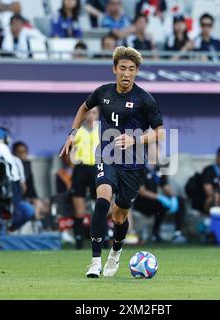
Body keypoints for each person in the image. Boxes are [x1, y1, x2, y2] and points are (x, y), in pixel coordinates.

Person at [60, 46, 165, 278]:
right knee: (101, 201)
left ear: (136, 72)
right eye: (122, 68)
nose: (126, 73)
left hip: (133, 164)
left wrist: (135, 138)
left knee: (120, 216)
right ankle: (95, 261)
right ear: (114, 69)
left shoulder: (144, 99)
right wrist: (72, 133)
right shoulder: (103, 92)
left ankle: (115, 253)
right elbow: (83, 108)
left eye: (131, 69)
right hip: (106, 156)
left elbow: (161, 132)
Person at [132, 155, 187, 244]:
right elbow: (142, 191)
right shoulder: (140, 168)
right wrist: (160, 197)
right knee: (160, 204)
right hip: (141, 201)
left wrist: (172, 197)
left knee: (180, 201)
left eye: (158, 149)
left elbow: (165, 186)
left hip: (155, 199)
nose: (156, 152)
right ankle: (155, 233)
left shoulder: (160, 168)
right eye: (153, 149)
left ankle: (178, 233)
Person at [69, 107, 100, 249]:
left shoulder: (103, 131)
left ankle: (102, 238)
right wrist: (72, 163)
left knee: (100, 206)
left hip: (97, 168)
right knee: (79, 209)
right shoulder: (78, 131)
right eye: (88, 112)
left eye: (94, 113)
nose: (90, 116)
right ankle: (79, 239)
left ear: (98, 115)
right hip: (81, 169)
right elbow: (67, 150)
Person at [12, 141, 51, 223]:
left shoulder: (27, 164)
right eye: (19, 152)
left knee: (44, 205)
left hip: (28, 195)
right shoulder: (12, 165)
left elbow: (30, 184)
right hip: (16, 197)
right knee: (32, 208)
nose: (22, 155)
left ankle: (37, 226)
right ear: (14, 153)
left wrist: (34, 198)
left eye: (24, 152)